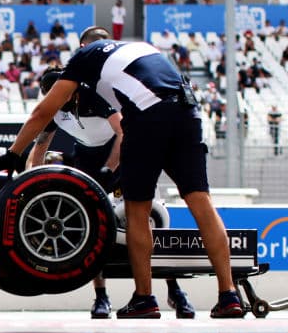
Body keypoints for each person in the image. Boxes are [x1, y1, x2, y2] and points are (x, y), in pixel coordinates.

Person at [0, 26, 244, 318]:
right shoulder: (138, 46)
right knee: (201, 203)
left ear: (83, 46)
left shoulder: (83, 58)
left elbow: (43, 112)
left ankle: (144, 299)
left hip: (147, 117)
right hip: (188, 110)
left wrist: (12, 154)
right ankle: (229, 296)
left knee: (138, 210)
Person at [30, 67, 195, 319]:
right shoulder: (53, 112)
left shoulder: (92, 97)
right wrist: (33, 181)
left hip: (119, 159)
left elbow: (122, 132)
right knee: (92, 231)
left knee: (149, 225)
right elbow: (39, 148)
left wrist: (110, 169)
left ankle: (175, 290)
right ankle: (101, 297)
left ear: (69, 91)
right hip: (86, 161)